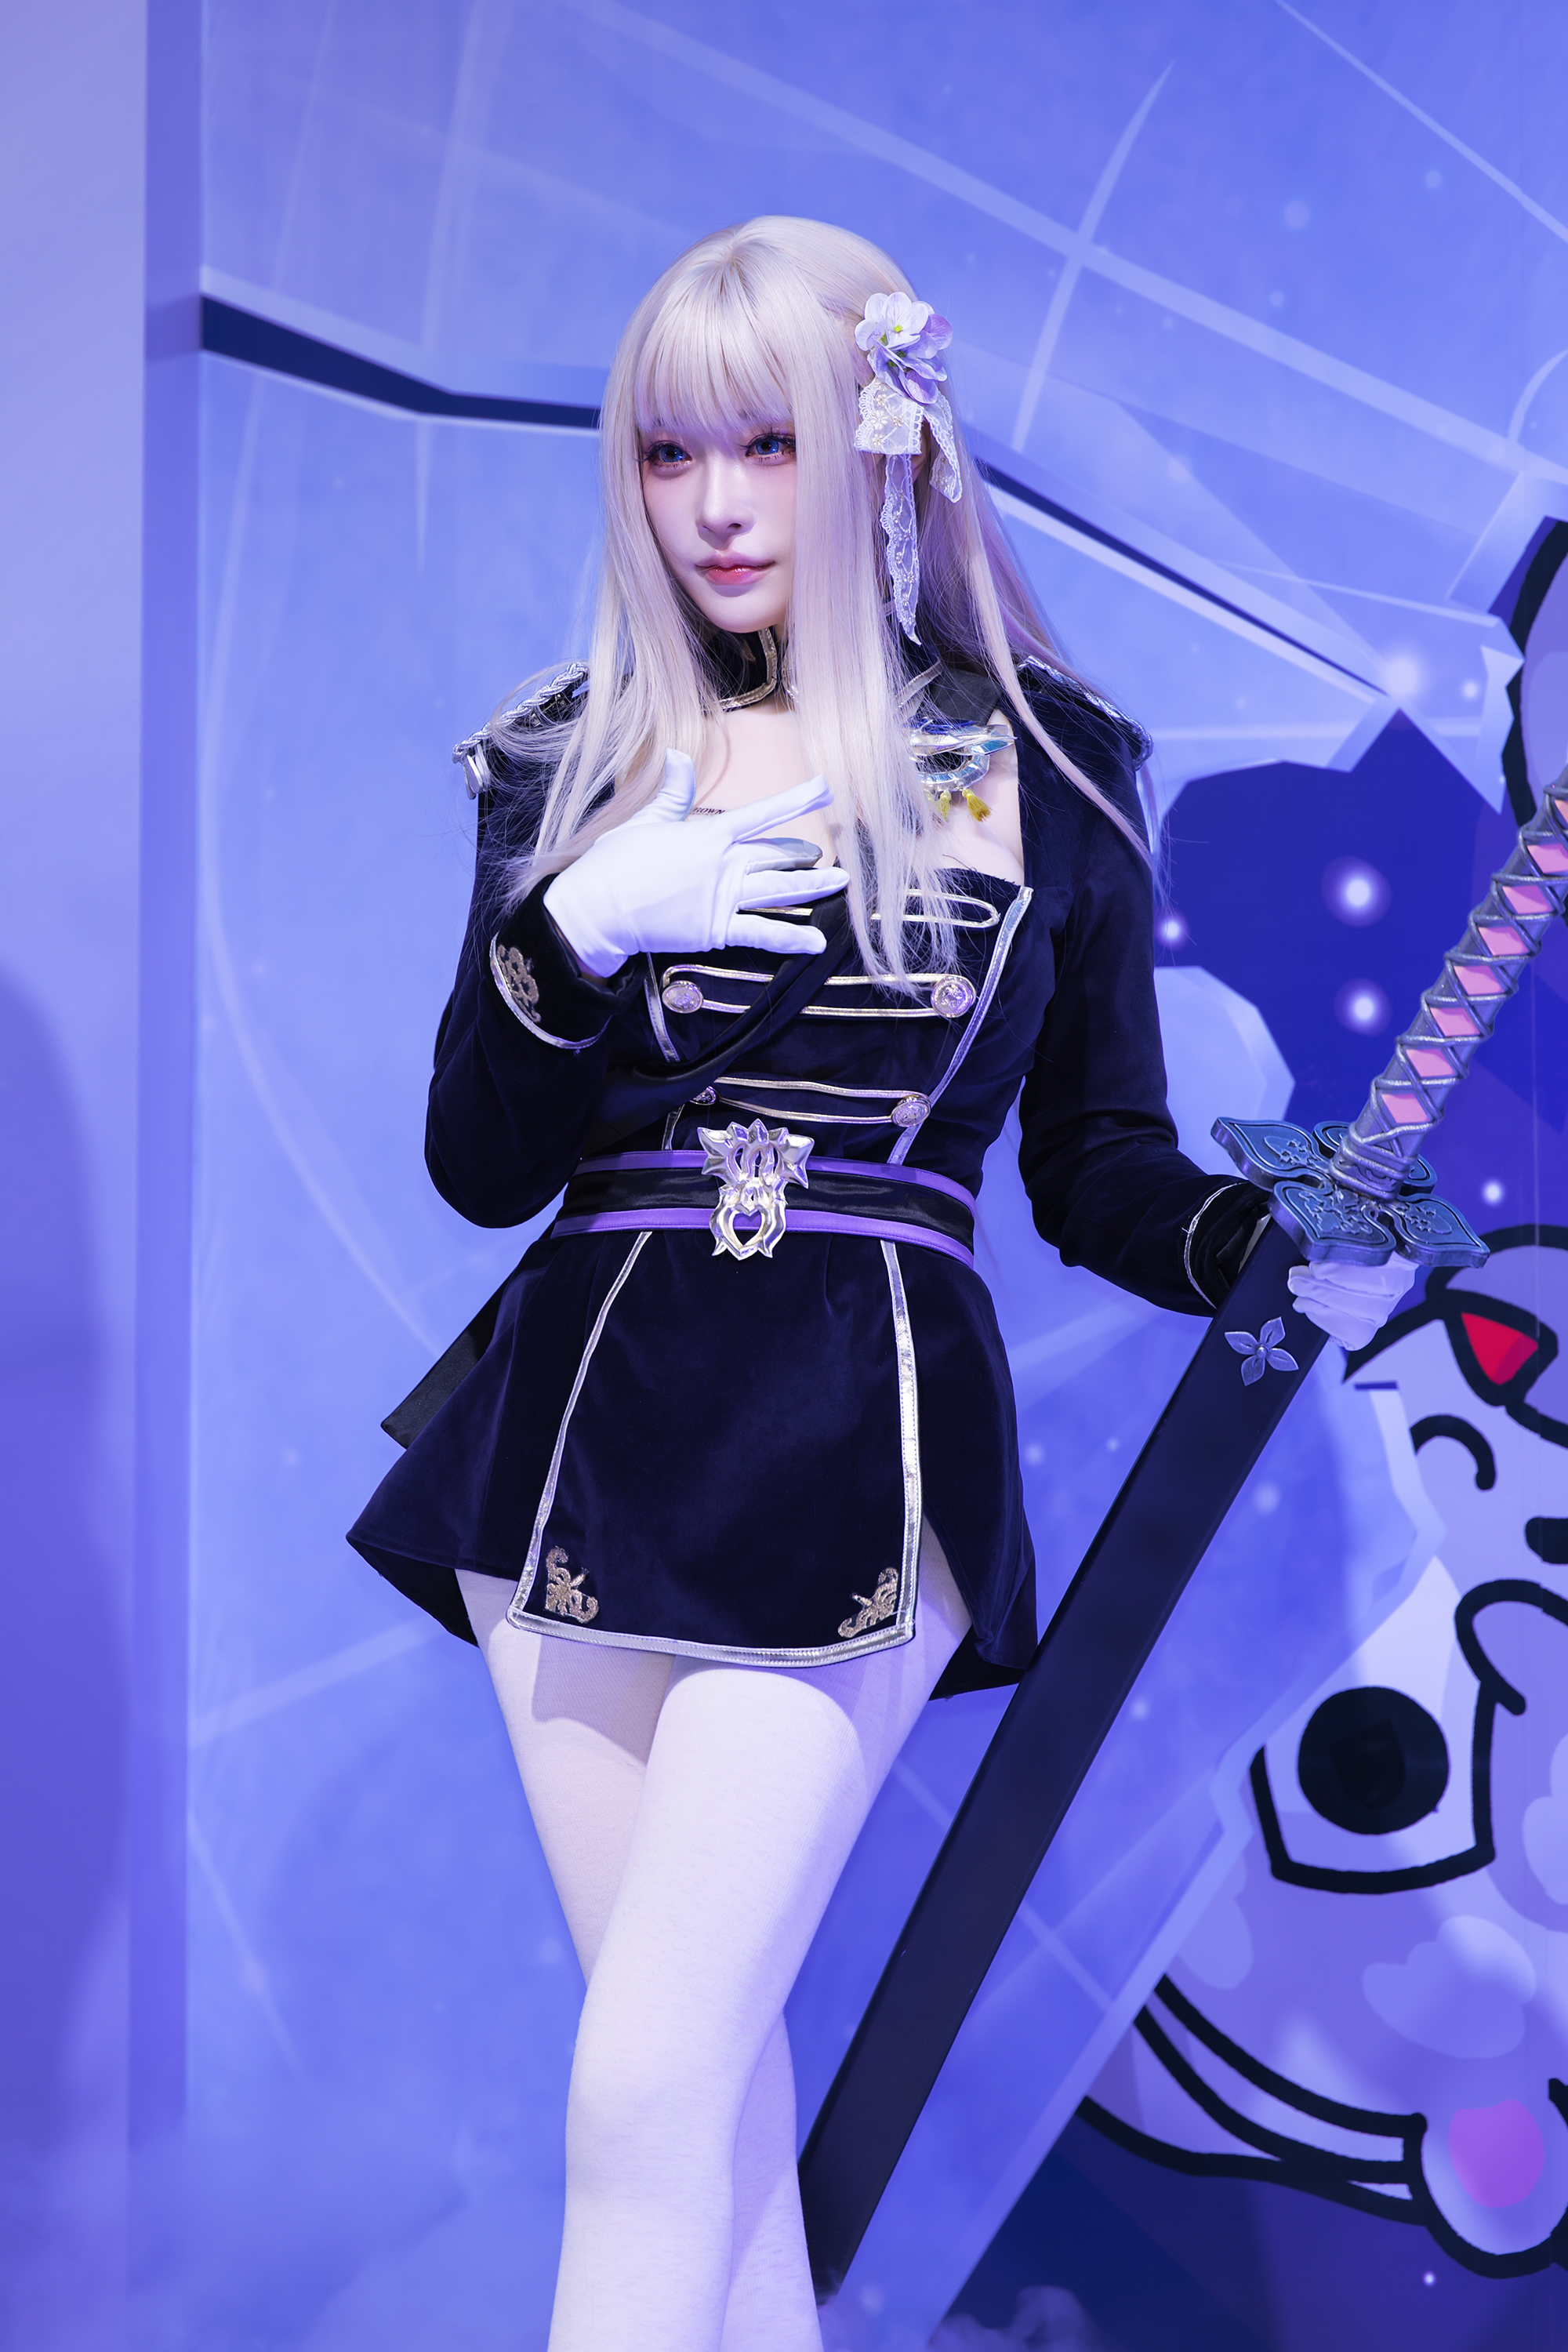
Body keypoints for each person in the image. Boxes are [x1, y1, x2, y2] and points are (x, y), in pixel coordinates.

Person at [348, 217, 1413, 2352]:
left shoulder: (1036, 761)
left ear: (884, 442)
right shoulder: (568, 756)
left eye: (770, 442)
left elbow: (1096, 1162)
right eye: (670, 452)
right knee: (707, 2106)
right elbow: (482, 1167)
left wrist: (1250, 1243)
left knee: (648, 2086)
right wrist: (577, 930)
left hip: (863, 1435)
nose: (719, 505)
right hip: (572, 1443)